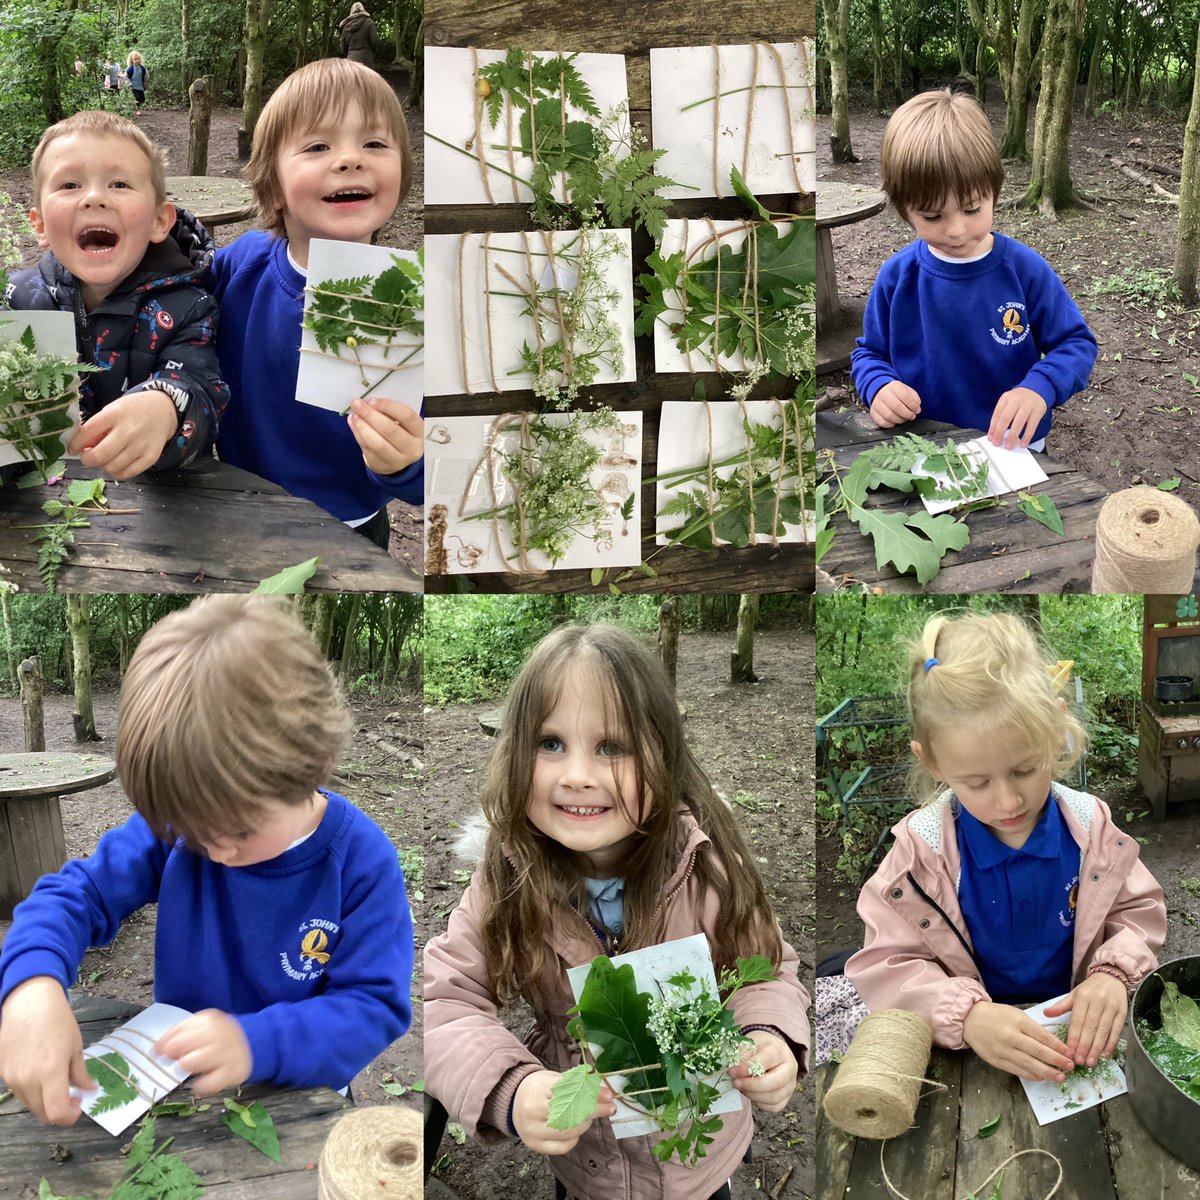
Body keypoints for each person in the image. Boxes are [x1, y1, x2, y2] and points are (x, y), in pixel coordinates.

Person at [424, 625, 810, 1200]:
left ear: (663, 756)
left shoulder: (706, 866)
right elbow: (449, 1001)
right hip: (588, 1169)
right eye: (550, 743)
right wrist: (512, 1087)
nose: (577, 774)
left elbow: (768, 968)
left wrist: (769, 1035)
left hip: (700, 1162)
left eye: (611, 747)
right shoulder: (507, 875)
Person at [0, 596, 414, 1126]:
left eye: (239, 832)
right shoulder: (184, 827)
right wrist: (32, 985)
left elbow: (373, 1008)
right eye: (194, 835)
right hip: (179, 1093)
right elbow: (76, 893)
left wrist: (254, 1043)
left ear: (308, 765)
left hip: (301, 1100)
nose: (215, 852)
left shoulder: (360, 861)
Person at [842, 612, 1166, 1084]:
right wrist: (967, 1016)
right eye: (977, 782)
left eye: (1025, 769)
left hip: (1076, 1036)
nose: (1009, 800)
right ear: (931, 761)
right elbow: (887, 964)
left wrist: (1113, 974)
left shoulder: (1091, 829)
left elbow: (1138, 910)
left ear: (1055, 730)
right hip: (968, 1053)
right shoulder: (920, 857)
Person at [210, 58, 422, 549]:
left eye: (374, 143)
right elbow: (171, 302)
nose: (350, 159)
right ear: (273, 186)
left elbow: (436, 464)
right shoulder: (241, 264)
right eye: (317, 146)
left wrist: (407, 463)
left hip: (353, 530)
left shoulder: (413, 306)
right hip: (241, 513)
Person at [849, 89, 1098, 452]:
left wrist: (1039, 388)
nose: (956, 230)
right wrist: (879, 386)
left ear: (994, 193)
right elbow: (868, 354)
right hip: (925, 444)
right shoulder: (897, 277)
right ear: (905, 211)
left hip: (1013, 445)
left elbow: (1076, 344)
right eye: (933, 216)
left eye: (971, 209)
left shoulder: (1025, 270)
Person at [4, 111, 227, 479]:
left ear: (159, 221)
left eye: (120, 184)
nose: (94, 198)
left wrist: (166, 407)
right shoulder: (17, 301)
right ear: (40, 225)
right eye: (70, 185)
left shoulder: (189, 306)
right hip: (41, 502)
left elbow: (201, 389)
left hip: (156, 504)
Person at [339, 2, 380, 68]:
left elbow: (343, 47)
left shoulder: (346, 26)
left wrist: (350, 53)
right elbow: (375, 42)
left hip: (351, 62)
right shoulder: (369, 22)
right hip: (367, 60)